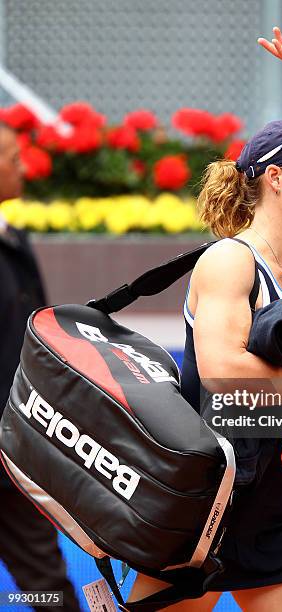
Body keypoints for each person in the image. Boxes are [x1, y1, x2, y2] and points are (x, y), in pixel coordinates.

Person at [126, 22, 282, 611]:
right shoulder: (228, 261)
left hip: (267, 504)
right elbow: (219, 372)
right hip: (201, 502)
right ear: (275, 177)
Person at [0, 121, 82, 611]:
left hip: (14, 451)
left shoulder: (14, 239)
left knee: (44, 584)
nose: (22, 168)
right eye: (11, 158)